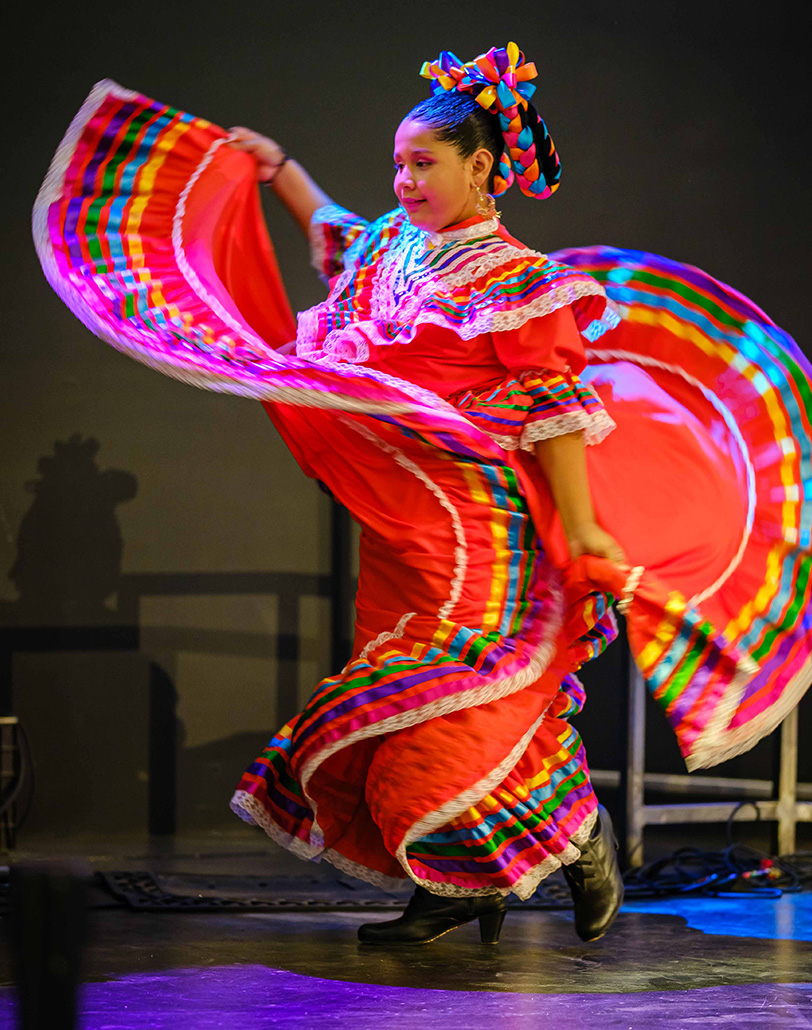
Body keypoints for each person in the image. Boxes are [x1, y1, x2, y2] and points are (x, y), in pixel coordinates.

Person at [32, 44, 812, 949]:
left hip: (485, 537)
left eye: (423, 164)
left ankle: (581, 838)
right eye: (397, 164)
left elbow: (556, 416)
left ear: (482, 168)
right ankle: (453, 886)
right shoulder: (394, 248)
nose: (403, 182)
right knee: (408, 717)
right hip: (403, 531)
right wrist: (278, 169)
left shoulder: (522, 283)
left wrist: (588, 528)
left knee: (454, 711)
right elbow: (332, 225)